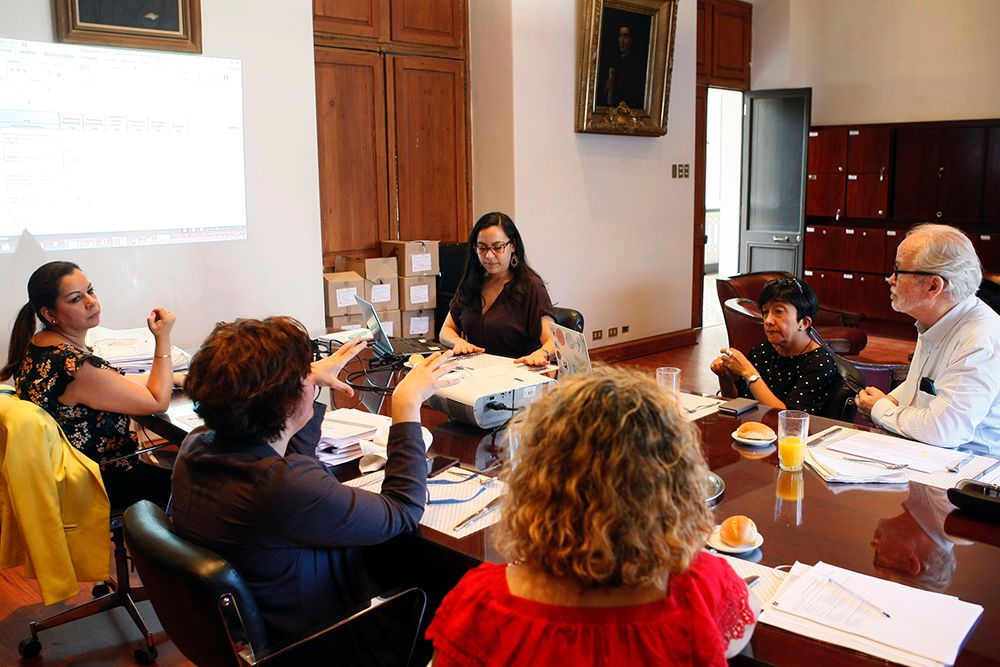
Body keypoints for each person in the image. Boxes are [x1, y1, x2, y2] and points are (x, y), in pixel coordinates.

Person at [425, 366, 757, 665]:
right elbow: (744, 624)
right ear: (674, 484)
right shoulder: (703, 586)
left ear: (536, 479)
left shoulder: (482, 606)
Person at [169, 317, 458, 643]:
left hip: (258, 627)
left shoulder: (197, 443)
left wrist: (307, 385)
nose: (310, 376)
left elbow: (293, 459)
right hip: (323, 641)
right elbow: (403, 510)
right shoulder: (280, 487)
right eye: (303, 374)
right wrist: (406, 405)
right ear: (285, 401)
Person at [2, 261, 175, 508]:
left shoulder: (40, 344)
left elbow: (111, 383)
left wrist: (176, 378)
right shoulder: (75, 367)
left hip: (70, 474)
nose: (91, 302)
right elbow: (158, 401)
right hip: (100, 481)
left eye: (90, 291)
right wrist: (163, 337)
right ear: (49, 314)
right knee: (196, 476)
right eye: (75, 299)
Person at [856, 224, 1000, 454]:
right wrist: (892, 400)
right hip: (928, 453)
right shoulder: (940, 317)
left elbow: (946, 429)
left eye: (898, 271)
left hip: (967, 467)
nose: (890, 279)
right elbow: (926, 383)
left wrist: (880, 409)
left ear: (934, 286)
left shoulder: (978, 339)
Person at [710, 276, 841, 415]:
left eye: (778, 312)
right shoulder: (762, 350)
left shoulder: (820, 363)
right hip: (752, 426)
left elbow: (790, 419)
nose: (768, 320)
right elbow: (737, 402)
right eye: (765, 312)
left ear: (804, 323)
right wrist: (724, 377)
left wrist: (750, 374)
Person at [439, 212, 556, 366]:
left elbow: (552, 341)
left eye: (497, 247)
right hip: (475, 370)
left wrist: (541, 354)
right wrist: (458, 342)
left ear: (512, 245)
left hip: (516, 372)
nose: (489, 255)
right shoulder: (472, 282)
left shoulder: (531, 286)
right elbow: (446, 330)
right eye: (482, 248)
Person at [600, 23, 647, 109]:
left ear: (631, 40)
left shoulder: (636, 64)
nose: (621, 40)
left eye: (625, 36)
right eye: (620, 36)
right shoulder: (612, 61)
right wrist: (606, 87)